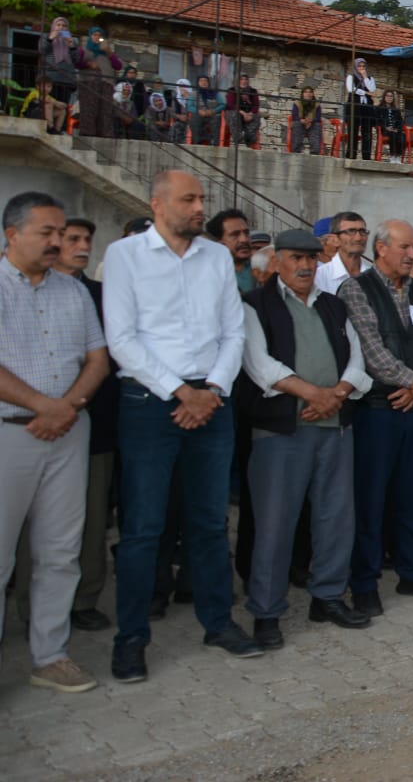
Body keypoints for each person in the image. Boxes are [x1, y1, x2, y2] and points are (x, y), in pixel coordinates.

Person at [103, 170, 258, 683]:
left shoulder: (215, 256)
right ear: (157, 203)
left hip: (211, 401)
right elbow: (122, 340)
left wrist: (210, 391)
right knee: (144, 527)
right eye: (189, 199)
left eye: (202, 198)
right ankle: (131, 639)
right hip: (150, 401)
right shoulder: (125, 257)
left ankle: (218, 623)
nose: (199, 207)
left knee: (212, 523)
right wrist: (180, 391)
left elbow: (234, 331)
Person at [239, 230, 373, 648]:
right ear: (277, 260)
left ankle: (328, 596)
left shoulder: (332, 305)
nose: (306, 266)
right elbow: (259, 364)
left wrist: (336, 395)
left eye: (312, 259)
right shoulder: (254, 305)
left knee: (335, 517)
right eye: (297, 258)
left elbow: (357, 358)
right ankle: (266, 611)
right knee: (275, 524)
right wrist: (315, 394)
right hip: (281, 432)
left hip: (334, 428)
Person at [0, 193, 111, 693]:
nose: (56, 241)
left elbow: (98, 359)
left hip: (69, 430)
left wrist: (65, 407)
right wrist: (46, 406)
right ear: (11, 234)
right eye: (45, 232)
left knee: (60, 549)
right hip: (10, 432)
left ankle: (50, 655)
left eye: (59, 232)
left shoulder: (72, 291)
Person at [338, 220, 413, 614]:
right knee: (370, 500)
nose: (410, 254)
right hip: (378, 412)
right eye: (403, 247)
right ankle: (364, 581)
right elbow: (370, 348)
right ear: (380, 249)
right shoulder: (355, 289)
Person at [73, 27, 122, 138]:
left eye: (100, 36)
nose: (97, 37)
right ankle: (87, 133)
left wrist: (109, 52)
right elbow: (76, 63)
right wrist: (87, 65)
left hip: (105, 84)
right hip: (88, 82)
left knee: (105, 110)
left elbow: (118, 66)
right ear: (90, 36)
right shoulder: (83, 50)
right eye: (94, 35)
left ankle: (105, 134)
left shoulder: (107, 54)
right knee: (89, 108)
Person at [39, 17, 83, 134]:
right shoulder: (46, 37)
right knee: (50, 103)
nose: (61, 28)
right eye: (58, 25)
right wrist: (51, 38)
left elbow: (76, 59)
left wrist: (71, 45)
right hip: (51, 77)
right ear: (54, 26)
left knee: (63, 106)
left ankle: (60, 129)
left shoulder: (73, 40)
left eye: (64, 26)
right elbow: (42, 50)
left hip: (66, 79)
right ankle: (48, 127)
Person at [314, 211, 367, 295]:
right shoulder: (318, 277)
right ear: (334, 239)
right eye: (351, 231)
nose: (358, 238)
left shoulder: (376, 276)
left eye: (362, 231)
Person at [206, 209, 255, 294]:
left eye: (246, 233)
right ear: (219, 242)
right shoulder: (209, 274)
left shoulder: (262, 267)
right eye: (235, 235)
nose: (244, 239)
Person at [345, 58, 377, 160]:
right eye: (359, 66)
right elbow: (351, 89)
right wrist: (365, 93)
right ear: (355, 67)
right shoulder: (351, 77)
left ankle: (366, 156)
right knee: (353, 130)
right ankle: (351, 154)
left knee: (367, 131)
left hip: (366, 106)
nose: (361, 68)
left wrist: (365, 77)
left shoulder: (370, 78)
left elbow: (372, 89)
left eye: (363, 66)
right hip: (355, 106)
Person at [225, 73, 261, 148]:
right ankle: (238, 139)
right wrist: (243, 113)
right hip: (236, 112)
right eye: (241, 79)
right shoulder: (232, 90)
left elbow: (256, 105)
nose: (244, 81)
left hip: (248, 114)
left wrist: (250, 114)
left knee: (256, 117)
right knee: (233, 115)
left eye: (246, 79)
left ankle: (249, 141)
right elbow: (231, 105)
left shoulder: (253, 91)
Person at [190, 74, 225, 146]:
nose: (203, 82)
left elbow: (223, 104)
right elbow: (189, 106)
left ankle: (215, 144)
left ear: (208, 83)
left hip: (212, 114)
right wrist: (199, 111)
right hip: (199, 114)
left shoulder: (215, 93)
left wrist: (213, 111)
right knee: (195, 119)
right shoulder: (194, 94)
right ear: (198, 83)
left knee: (216, 120)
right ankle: (198, 143)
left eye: (205, 81)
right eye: (201, 81)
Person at [374, 89, 406, 162]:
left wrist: (397, 129)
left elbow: (400, 121)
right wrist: (386, 127)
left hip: (395, 130)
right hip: (384, 130)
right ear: (384, 97)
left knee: (402, 136)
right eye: (387, 96)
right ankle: (392, 155)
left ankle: (398, 156)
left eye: (391, 96)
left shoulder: (396, 110)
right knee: (393, 135)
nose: (389, 98)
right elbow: (377, 121)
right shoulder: (379, 108)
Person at [290, 87, 323, 155]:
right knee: (297, 124)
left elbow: (318, 117)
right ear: (302, 94)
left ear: (313, 94)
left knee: (317, 125)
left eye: (310, 92)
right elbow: (294, 116)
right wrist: (302, 120)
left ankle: (315, 152)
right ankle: (296, 151)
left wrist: (310, 121)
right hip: (301, 123)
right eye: (306, 92)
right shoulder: (297, 103)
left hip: (312, 124)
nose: (308, 94)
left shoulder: (317, 105)